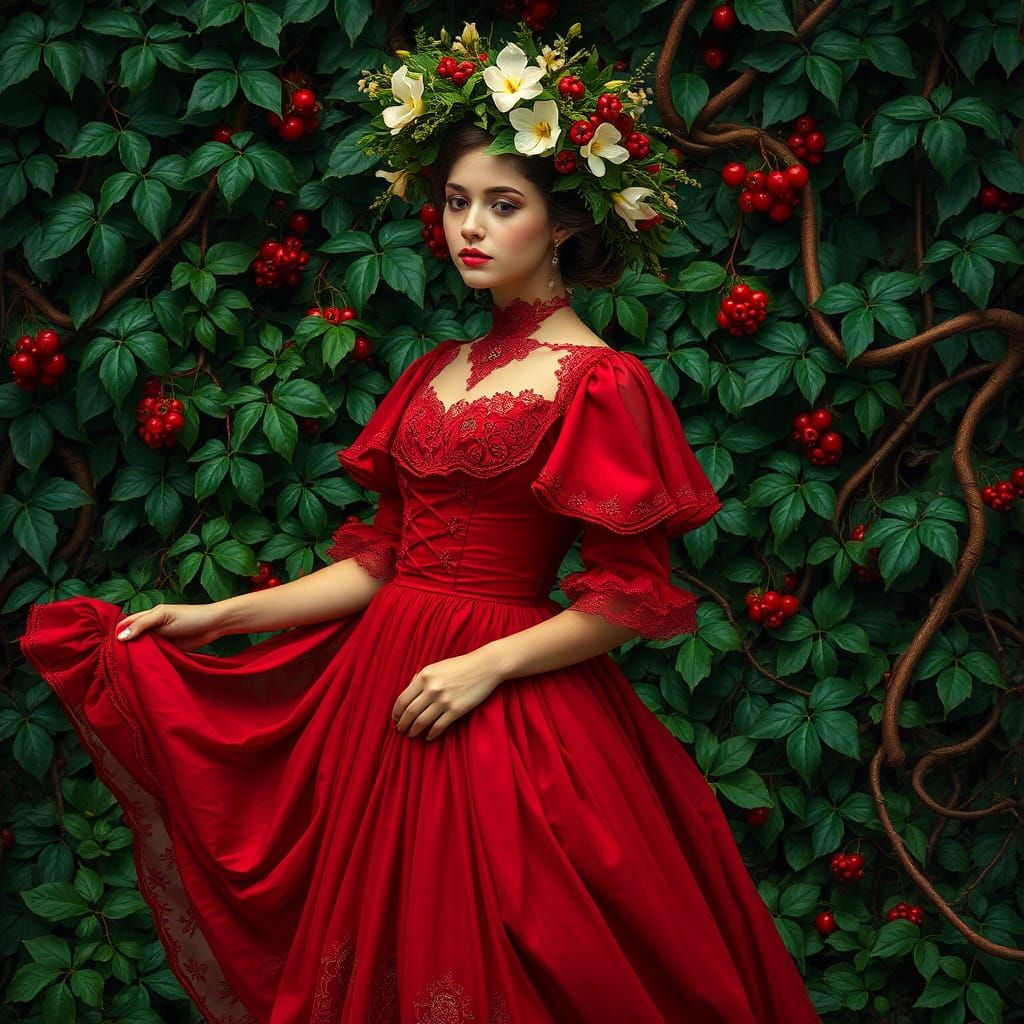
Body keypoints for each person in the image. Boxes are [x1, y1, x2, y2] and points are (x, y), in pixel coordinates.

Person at [19, 25, 821, 1024]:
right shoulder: (435, 369)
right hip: (382, 689)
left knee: (506, 952)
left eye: (503, 204)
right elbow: (379, 561)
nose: (469, 227)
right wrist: (217, 615)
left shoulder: (602, 382)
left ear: (563, 224)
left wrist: (485, 667)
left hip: (497, 696)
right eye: (454, 201)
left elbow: (628, 597)